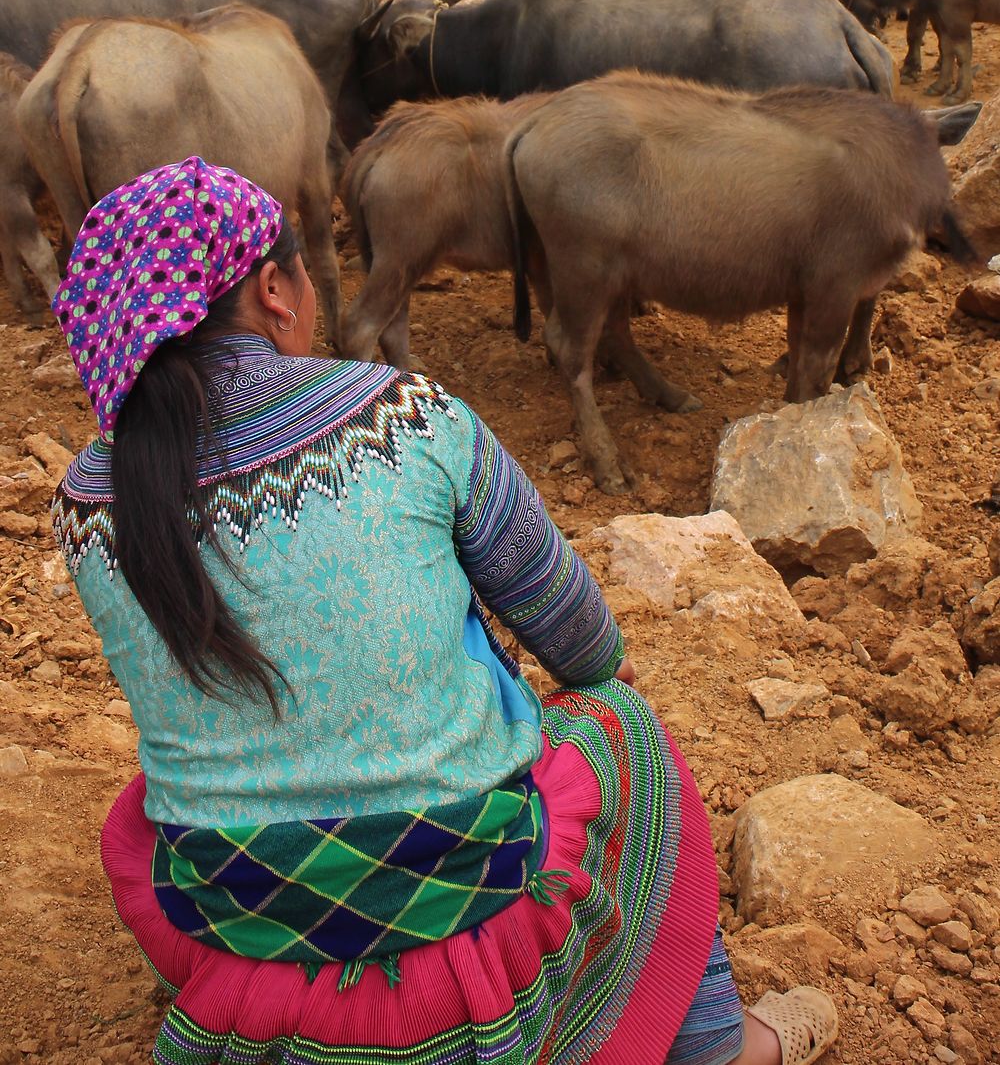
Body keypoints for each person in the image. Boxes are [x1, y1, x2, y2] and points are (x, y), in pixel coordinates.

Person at [51, 155, 840, 1065]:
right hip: (456, 896)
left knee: (139, 817)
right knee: (621, 722)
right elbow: (582, 643)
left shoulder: (86, 500)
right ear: (275, 291)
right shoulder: (402, 413)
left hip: (240, 905)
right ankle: (712, 1043)